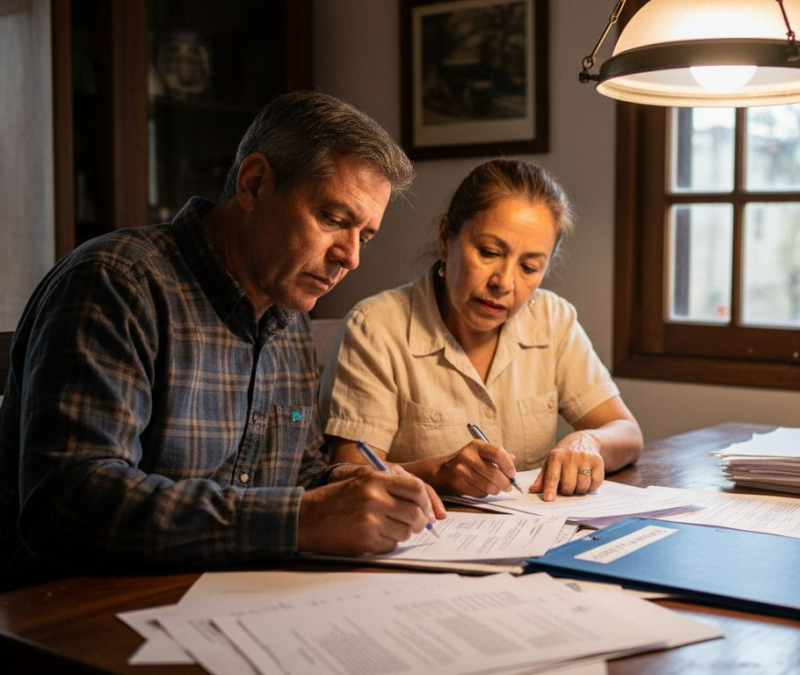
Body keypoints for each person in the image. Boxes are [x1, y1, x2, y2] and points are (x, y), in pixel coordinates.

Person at [0, 91, 445, 592]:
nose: (349, 257)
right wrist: (302, 518)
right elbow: (68, 501)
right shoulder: (118, 282)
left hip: (228, 599)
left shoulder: (288, 315)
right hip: (72, 616)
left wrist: (351, 487)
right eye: (334, 219)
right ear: (254, 184)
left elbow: (294, 474)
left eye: (364, 236)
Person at [319, 158, 643, 502]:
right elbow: (349, 475)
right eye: (489, 252)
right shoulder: (376, 327)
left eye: (529, 267)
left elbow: (627, 432)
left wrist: (588, 441)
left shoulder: (552, 318)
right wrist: (438, 473)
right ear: (446, 238)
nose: (504, 283)